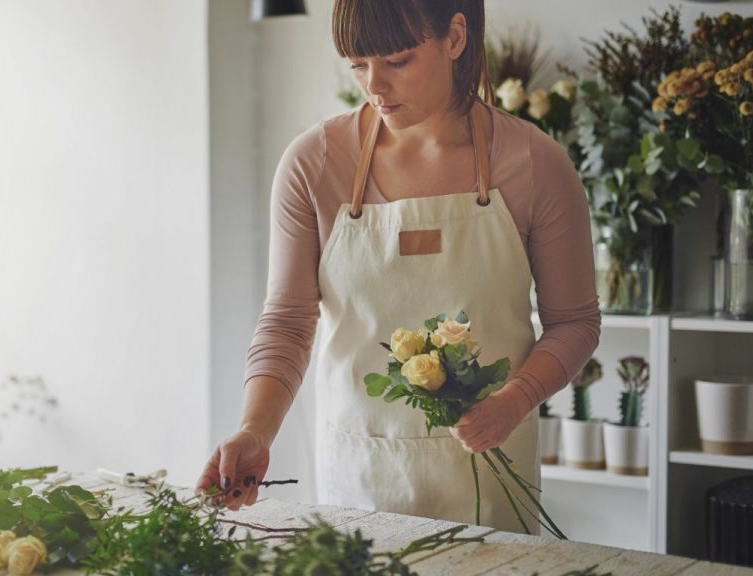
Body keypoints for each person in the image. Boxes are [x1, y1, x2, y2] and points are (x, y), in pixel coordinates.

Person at [196, 0, 600, 533]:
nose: (375, 86)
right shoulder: (313, 165)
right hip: (360, 476)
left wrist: (515, 401)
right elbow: (289, 322)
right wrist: (255, 431)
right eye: (357, 64)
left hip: (490, 477)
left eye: (398, 61)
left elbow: (575, 323)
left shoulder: (533, 162)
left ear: (455, 37)